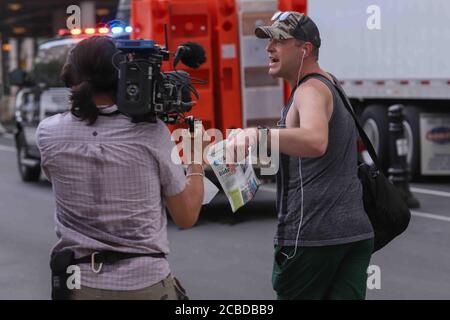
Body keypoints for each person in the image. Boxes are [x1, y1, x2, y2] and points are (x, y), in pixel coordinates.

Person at [37, 36, 205, 300]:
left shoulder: (48, 133)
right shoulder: (152, 134)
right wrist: (196, 158)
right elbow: (186, 216)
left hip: (79, 285)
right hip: (145, 284)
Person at [227, 12, 374, 300]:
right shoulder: (328, 83)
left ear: (305, 49)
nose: (269, 48)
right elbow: (310, 151)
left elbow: (315, 141)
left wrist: (259, 135)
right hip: (354, 234)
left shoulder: (310, 91)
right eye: (268, 40)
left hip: (313, 237)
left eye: (279, 40)